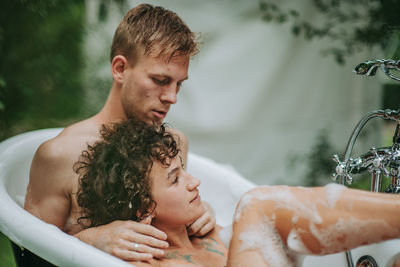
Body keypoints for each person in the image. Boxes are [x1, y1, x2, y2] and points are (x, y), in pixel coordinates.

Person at [24, 4, 216, 262]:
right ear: (120, 69)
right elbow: (30, 255)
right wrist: (90, 239)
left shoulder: (175, 143)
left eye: (179, 84)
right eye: (160, 81)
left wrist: (204, 215)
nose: (172, 97)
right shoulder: (60, 155)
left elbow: (175, 236)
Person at [75, 118, 400, 267]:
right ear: (143, 207)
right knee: (256, 206)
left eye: (185, 171)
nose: (194, 183)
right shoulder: (146, 262)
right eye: (175, 179)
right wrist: (87, 238)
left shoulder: (217, 234)